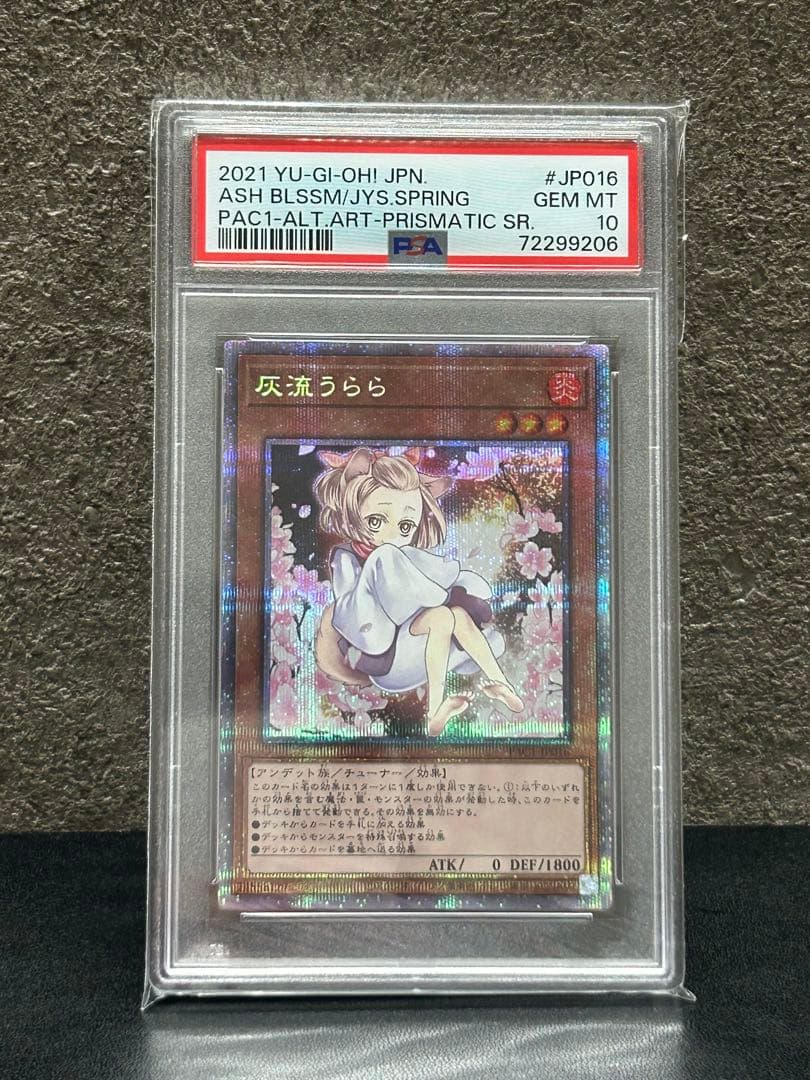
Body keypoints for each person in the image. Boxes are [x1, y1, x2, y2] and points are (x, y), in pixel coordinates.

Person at [313, 446, 524, 736]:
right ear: (352, 511)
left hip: (417, 647)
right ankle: (441, 700)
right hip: (386, 659)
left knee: (453, 616)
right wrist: (384, 576)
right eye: (376, 521)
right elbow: (353, 614)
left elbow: (444, 577)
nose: (391, 534)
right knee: (389, 562)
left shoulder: (407, 556)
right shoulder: (347, 558)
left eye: (405, 526)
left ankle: (487, 689)